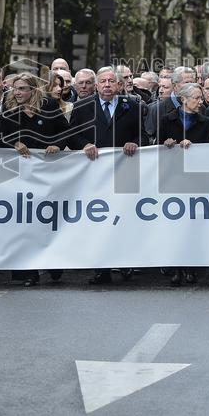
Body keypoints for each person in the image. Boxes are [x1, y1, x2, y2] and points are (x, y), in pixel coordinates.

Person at [69, 67, 144, 285]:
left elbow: (143, 134)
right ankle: (100, 268)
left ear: (119, 85)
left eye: (112, 81)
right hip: (95, 173)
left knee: (124, 217)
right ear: (96, 85)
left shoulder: (131, 106)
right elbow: (72, 135)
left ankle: (125, 261)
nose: (107, 85)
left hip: (125, 170)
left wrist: (135, 143)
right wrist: (84, 145)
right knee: (99, 219)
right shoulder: (82, 106)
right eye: (103, 81)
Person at [0, 72, 67, 287]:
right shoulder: (8, 109)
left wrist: (57, 144)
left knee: (46, 219)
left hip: (46, 173)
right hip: (19, 175)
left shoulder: (49, 106)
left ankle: (54, 262)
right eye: (15, 88)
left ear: (33, 90)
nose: (17, 92)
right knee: (23, 221)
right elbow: (0, 135)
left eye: (22, 89)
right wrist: (14, 143)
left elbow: (66, 131)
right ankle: (27, 271)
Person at [157, 82, 209, 286]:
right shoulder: (166, 119)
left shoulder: (205, 122)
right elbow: (156, 147)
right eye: (197, 98)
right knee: (174, 224)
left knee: (192, 225)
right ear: (183, 99)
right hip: (172, 179)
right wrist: (167, 144)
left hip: (195, 179)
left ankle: (191, 267)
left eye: (200, 98)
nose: (201, 102)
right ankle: (176, 266)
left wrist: (194, 147)